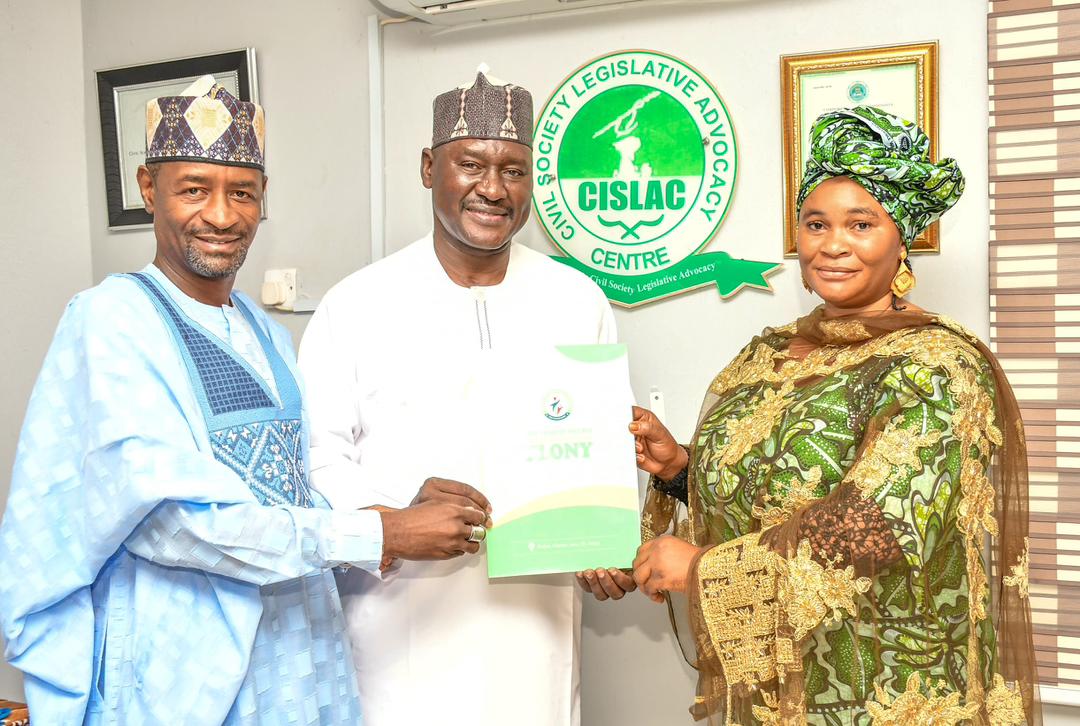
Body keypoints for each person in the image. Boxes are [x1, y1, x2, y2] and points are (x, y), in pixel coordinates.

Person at [0, 75, 488, 724]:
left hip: (296, 661)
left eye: (242, 192)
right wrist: (382, 531)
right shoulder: (112, 320)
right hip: (182, 675)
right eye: (193, 189)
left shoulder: (264, 331)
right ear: (148, 188)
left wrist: (393, 512)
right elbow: (172, 523)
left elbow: (286, 494)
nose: (222, 216)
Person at [623, 107, 1038, 724]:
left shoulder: (938, 365)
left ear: (902, 238)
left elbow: (884, 524)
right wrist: (681, 469)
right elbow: (775, 491)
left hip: (889, 685)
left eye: (861, 224)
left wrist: (705, 570)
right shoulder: (766, 354)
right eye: (816, 224)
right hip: (780, 686)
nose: (833, 245)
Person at [297, 65, 616, 726]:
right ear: (428, 167)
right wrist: (390, 521)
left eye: (514, 170)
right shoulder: (357, 303)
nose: (493, 188)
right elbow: (317, 457)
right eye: (470, 164)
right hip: (401, 627)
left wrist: (603, 540)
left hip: (534, 622)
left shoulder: (575, 299)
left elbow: (598, 446)